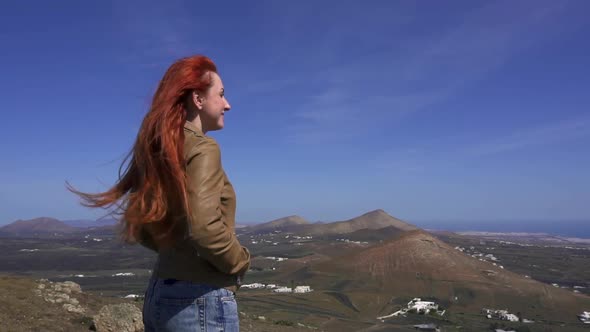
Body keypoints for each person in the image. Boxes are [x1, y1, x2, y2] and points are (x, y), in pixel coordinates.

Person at [69, 55, 251, 331]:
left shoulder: (160, 149)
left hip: (160, 295)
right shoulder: (204, 148)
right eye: (222, 95)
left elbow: (141, 224)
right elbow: (204, 228)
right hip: (200, 300)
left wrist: (174, 254)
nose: (228, 104)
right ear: (198, 100)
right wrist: (239, 262)